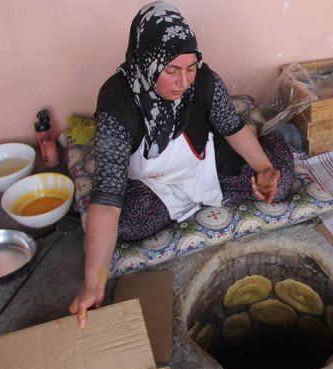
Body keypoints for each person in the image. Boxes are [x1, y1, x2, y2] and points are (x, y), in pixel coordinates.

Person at [69, 1, 294, 327]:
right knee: (126, 225)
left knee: (281, 182)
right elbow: (107, 197)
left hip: (206, 164)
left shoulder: (204, 82)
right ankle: (192, 200)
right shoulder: (117, 101)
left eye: (190, 67)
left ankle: (273, 143)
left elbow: (232, 128)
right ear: (146, 61)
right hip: (155, 183)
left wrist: (262, 168)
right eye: (171, 70)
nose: (183, 82)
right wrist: (94, 281)